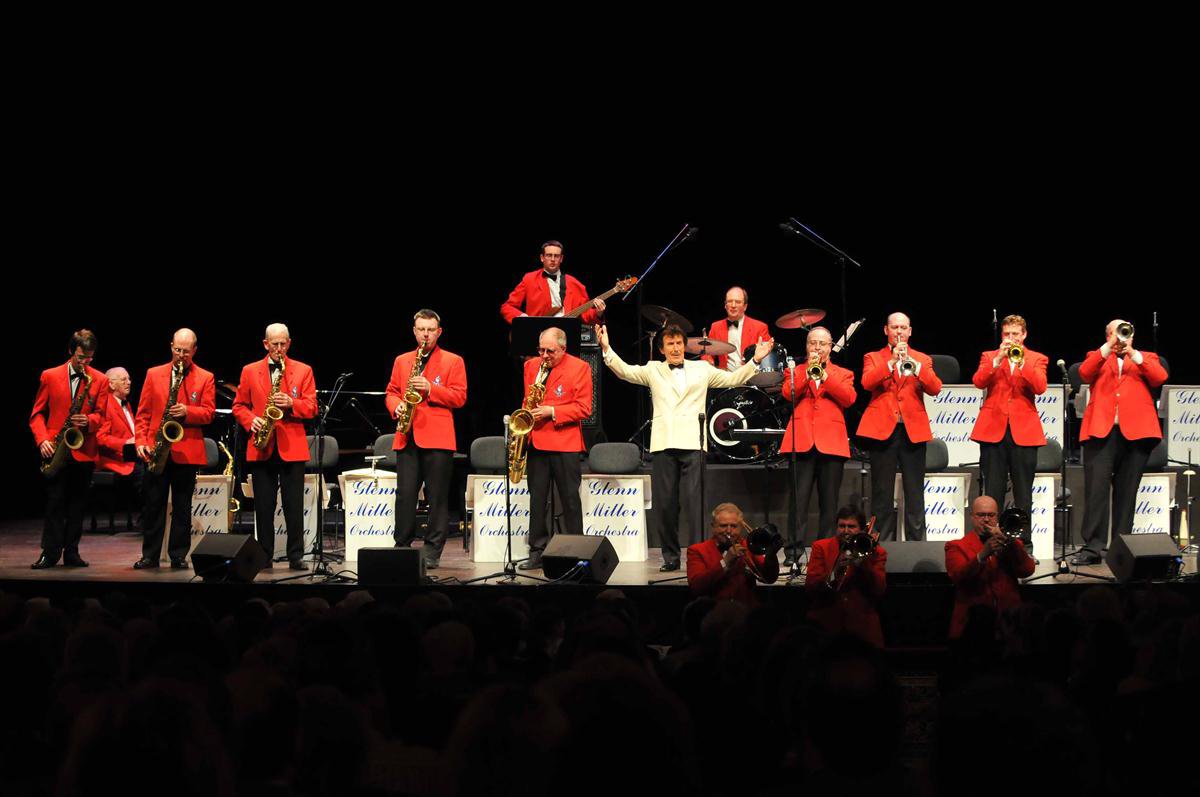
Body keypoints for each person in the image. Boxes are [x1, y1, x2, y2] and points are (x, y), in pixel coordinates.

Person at [598, 322, 774, 570]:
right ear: (662, 349)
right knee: (666, 506)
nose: (675, 348)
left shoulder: (702, 369)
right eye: (670, 344)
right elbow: (625, 371)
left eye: (679, 343)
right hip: (664, 444)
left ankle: (699, 555)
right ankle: (670, 557)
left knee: (695, 505)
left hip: (693, 443)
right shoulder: (653, 369)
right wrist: (606, 349)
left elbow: (732, 379)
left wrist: (755, 360)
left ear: (684, 346)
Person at [1072, 318, 1168, 565]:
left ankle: (1120, 549)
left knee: (1127, 493)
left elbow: (1159, 377)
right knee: (1096, 492)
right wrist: (1109, 347)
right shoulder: (1097, 356)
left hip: (1136, 435)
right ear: (1108, 335)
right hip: (1101, 432)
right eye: (1117, 333)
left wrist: (1133, 353)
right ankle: (1092, 548)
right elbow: (1084, 373)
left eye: (1127, 333)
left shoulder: (1146, 358)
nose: (1123, 337)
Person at [385, 309, 467, 569]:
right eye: (421, 329)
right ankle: (402, 546)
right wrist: (396, 405)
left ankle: (432, 551)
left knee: (437, 497)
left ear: (439, 332)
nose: (426, 334)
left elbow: (459, 397)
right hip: (407, 435)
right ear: (414, 331)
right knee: (405, 495)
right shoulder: (402, 360)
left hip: (438, 439)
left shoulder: (453, 361)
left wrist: (431, 388)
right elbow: (391, 392)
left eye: (431, 330)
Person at [233, 323, 318, 570]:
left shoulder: (303, 370)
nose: (279, 349)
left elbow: (312, 407)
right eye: (274, 344)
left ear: (289, 343)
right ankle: (264, 555)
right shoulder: (249, 370)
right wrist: (252, 420)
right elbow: (239, 406)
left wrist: (292, 403)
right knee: (264, 506)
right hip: (262, 446)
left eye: (283, 344)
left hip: (292, 447)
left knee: (294, 506)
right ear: (265, 344)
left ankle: (296, 556)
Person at [856, 312, 942, 541]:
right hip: (883, 431)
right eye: (894, 327)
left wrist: (917, 368)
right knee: (882, 493)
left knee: (915, 492)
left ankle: (916, 545)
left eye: (903, 328)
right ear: (886, 330)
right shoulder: (873, 357)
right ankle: (880, 546)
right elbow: (867, 383)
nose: (899, 332)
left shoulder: (922, 359)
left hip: (912, 432)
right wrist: (891, 362)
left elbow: (935, 388)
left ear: (910, 331)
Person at [134, 329, 216, 569]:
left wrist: (188, 411)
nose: (181, 355)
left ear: (195, 350)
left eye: (186, 351)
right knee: (153, 505)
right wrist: (141, 441)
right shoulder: (153, 374)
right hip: (157, 449)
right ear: (171, 346)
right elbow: (143, 414)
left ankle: (178, 556)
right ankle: (150, 556)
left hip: (187, 451)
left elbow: (209, 413)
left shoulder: (205, 377)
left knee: (182, 507)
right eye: (178, 350)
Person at [29, 329, 108, 568]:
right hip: (56, 449)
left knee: (77, 505)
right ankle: (49, 553)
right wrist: (42, 440)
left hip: (83, 449)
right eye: (81, 357)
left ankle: (72, 552)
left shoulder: (100, 379)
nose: (85, 363)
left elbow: (102, 416)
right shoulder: (50, 375)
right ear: (71, 351)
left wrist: (89, 421)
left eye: (90, 358)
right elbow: (37, 414)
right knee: (54, 503)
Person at [517, 327, 593, 570]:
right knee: (537, 500)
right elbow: (527, 400)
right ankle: (537, 551)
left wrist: (552, 411)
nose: (544, 355)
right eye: (541, 350)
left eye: (550, 351)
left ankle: (577, 553)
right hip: (537, 441)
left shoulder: (580, 368)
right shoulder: (531, 366)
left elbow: (584, 408)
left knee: (570, 500)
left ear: (563, 348)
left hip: (565, 443)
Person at [780, 326, 856, 563]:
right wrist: (807, 374)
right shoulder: (795, 371)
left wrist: (824, 376)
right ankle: (793, 552)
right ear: (806, 346)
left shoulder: (843, 373)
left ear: (830, 347)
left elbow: (849, 398)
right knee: (798, 502)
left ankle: (825, 552)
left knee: (829, 504)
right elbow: (788, 394)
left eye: (822, 344)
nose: (817, 347)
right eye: (812, 343)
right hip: (801, 441)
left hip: (831, 443)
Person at [969, 314, 1048, 514]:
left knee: (1023, 495)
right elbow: (978, 381)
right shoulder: (989, 356)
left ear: (1024, 335)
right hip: (993, 431)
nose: (1011, 338)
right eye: (1007, 334)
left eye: (1015, 334)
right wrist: (997, 360)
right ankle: (992, 534)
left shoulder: (1037, 358)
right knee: (992, 493)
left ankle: (1023, 535)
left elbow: (1040, 387)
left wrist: (1021, 363)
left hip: (1024, 433)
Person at [944, 495, 1035, 639]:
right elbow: (958, 576)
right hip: (972, 626)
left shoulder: (1012, 544)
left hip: (1008, 625)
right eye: (981, 515)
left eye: (991, 515)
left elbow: (1027, 570)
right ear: (972, 517)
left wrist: (1010, 542)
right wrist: (982, 555)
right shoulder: (956, 546)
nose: (986, 519)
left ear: (997, 517)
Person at [804, 506, 887, 647]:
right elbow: (811, 586)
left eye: (851, 526)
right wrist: (835, 572)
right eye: (842, 526)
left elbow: (879, 589)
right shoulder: (821, 547)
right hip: (826, 624)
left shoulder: (876, 552)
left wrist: (864, 565)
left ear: (862, 530)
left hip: (862, 628)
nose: (846, 531)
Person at [686, 502, 780, 604]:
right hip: (713, 610)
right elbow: (696, 587)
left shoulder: (747, 545)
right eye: (723, 526)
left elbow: (769, 578)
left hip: (746, 610)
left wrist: (771, 555)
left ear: (740, 527)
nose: (728, 530)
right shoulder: (696, 550)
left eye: (734, 526)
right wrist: (725, 562)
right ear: (713, 527)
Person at [500, 240, 605, 324]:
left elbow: (586, 316)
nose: (553, 259)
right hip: (539, 333)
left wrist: (598, 312)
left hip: (567, 334)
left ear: (561, 258)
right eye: (549, 255)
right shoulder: (529, 279)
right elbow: (507, 307)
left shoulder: (575, 284)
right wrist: (523, 318)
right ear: (542, 258)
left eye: (556, 256)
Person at [96, 366, 143, 521]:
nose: (129, 382)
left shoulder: (126, 404)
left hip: (130, 454)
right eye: (123, 380)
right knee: (145, 474)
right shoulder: (105, 404)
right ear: (111, 384)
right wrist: (126, 442)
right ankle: (149, 518)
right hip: (113, 458)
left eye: (129, 379)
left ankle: (154, 516)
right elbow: (100, 438)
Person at [701, 286, 770, 371]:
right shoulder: (716, 327)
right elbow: (707, 352)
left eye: (738, 302)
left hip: (750, 375)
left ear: (745, 306)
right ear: (725, 305)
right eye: (730, 301)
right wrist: (708, 360)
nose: (733, 305)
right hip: (725, 375)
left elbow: (767, 357)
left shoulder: (760, 327)